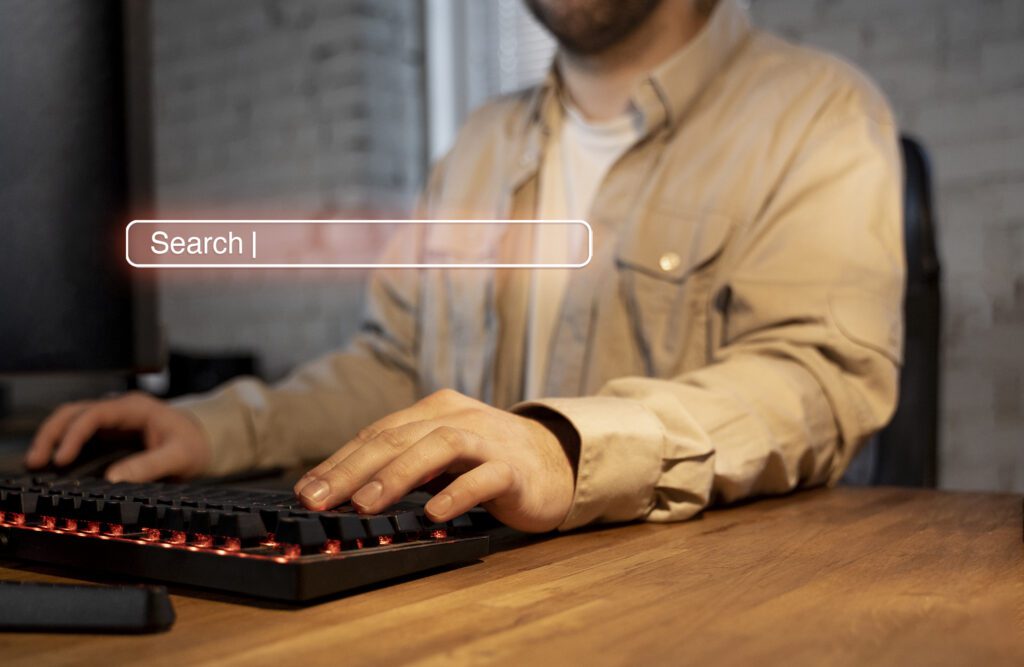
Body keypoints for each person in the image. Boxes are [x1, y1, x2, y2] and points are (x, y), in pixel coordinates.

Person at [25, 0, 903, 534]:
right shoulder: (479, 147)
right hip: (484, 598)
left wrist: (564, 446)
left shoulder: (818, 114)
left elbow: (816, 379)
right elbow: (396, 368)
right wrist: (215, 431)